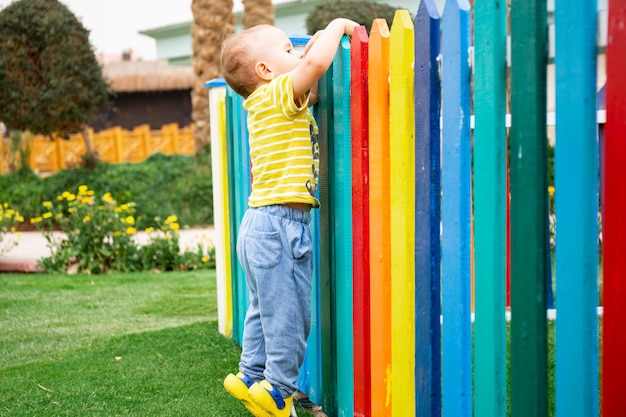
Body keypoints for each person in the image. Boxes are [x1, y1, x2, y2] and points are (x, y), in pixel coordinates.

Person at [220, 18, 359, 417]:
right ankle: (278, 390)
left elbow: (311, 88)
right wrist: (335, 27)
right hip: (281, 226)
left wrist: (312, 48)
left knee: (263, 308)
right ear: (265, 72)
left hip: (258, 224)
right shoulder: (278, 93)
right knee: (290, 316)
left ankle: (248, 376)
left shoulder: (264, 103)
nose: (296, 55)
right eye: (286, 50)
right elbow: (313, 69)